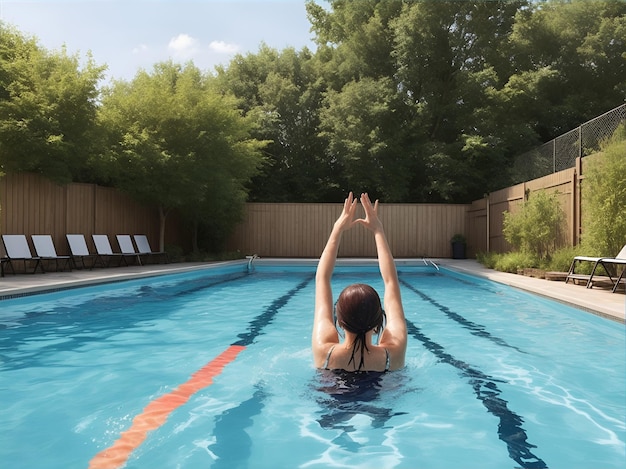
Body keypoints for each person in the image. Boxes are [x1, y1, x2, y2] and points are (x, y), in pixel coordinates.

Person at [312, 192, 407, 372]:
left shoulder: (324, 351)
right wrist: (378, 230)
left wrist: (337, 228)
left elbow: (322, 279)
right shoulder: (392, 355)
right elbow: (391, 283)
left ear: (339, 321)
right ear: (380, 321)